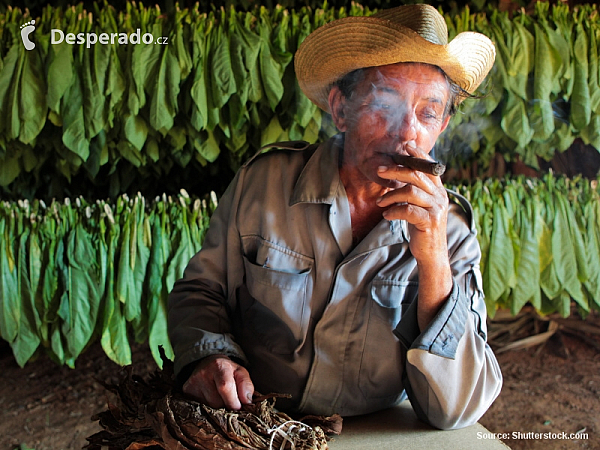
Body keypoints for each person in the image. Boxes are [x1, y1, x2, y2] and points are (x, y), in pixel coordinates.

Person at [168, 4, 502, 430]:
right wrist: (211, 354)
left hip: (374, 434)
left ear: (443, 125)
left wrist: (434, 261)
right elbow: (200, 291)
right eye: (385, 104)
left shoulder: (449, 228)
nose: (406, 133)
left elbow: (455, 409)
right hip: (255, 424)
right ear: (341, 109)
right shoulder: (265, 184)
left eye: (427, 113)